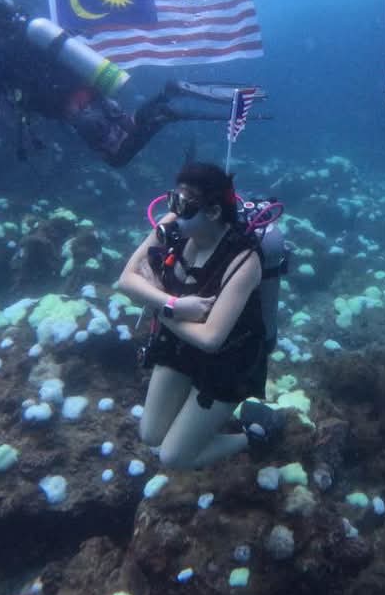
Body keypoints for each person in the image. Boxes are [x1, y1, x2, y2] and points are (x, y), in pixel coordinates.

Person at [118, 162, 284, 470]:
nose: (174, 211)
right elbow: (126, 279)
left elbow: (211, 339)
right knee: (150, 434)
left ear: (213, 212)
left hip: (228, 365)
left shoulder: (244, 261)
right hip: (181, 347)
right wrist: (174, 305)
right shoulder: (175, 225)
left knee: (173, 457)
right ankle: (200, 427)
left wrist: (155, 302)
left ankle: (257, 435)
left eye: (184, 206)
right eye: (172, 200)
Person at [0, 3, 239, 166]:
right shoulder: (34, 34)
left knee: (116, 158)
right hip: (95, 94)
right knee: (132, 128)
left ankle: (166, 106)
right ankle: (165, 98)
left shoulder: (0, 57)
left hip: (78, 112)